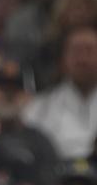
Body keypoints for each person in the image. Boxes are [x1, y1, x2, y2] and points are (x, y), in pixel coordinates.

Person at [25, 24, 97, 160]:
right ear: (64, 59)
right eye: (76, 51)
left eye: (90, 50)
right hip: (57, 169)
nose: (83, 58)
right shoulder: (41, 105)